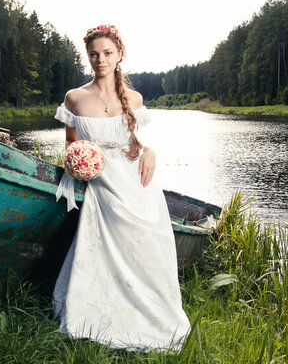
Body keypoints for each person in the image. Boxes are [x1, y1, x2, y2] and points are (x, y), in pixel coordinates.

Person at [52, 24, 191, 352]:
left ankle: (154, 311)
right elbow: (71, 145)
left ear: (119, 55)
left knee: (149, 240)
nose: (100, 60)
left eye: (107, 53)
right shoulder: (75, 98)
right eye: (94, 54)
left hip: (134, 179)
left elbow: (134, 143)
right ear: (88, 57)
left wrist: (151, 152)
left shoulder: (134, 98)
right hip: (99, 179)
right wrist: (78, 162)